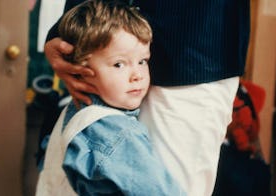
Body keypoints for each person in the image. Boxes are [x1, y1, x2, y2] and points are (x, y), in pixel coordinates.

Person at [45, 0, 250, 195]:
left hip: (191, 49)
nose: (137, 75)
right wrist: (66, 32)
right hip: (101, 48)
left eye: (143, 62)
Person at [38, 0, 184, 195]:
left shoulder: (72, 114)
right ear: (81, 69)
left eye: (142, 61)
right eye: (119, 64)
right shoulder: (119, 133)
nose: (137, 75)